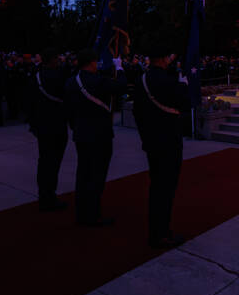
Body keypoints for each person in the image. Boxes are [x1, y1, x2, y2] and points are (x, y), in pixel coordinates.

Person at [133, 50, 191, 248]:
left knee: (156, 186)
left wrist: (145, 138)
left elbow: (137, 112)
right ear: (165, 59)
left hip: (151, 141)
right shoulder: (169, 81)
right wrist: (184, 85)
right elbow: (186, 103)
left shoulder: (141, 80)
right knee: (165, 189)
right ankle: (162, 234)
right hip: (169, 141)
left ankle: (156, 230)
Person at [65, 49, 126, 226]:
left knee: (83, 174)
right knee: (96, 176)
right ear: (92, 62)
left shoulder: (70, 82)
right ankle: (92, 215)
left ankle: (81, 212)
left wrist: (75, 127)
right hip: (100, 135)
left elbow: (68, 109)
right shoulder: (98, 81)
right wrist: (119, 68)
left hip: (81, 134)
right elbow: (121, 87)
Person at [28, 49, 69, 212]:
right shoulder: (59, 76)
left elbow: (29, 101)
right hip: (56, 125)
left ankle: (44, 194)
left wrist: (33, 124)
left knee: (44, 161)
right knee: (53, 163)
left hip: (41, 125)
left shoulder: (35, 76)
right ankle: (49, 196)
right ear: (53, 60)